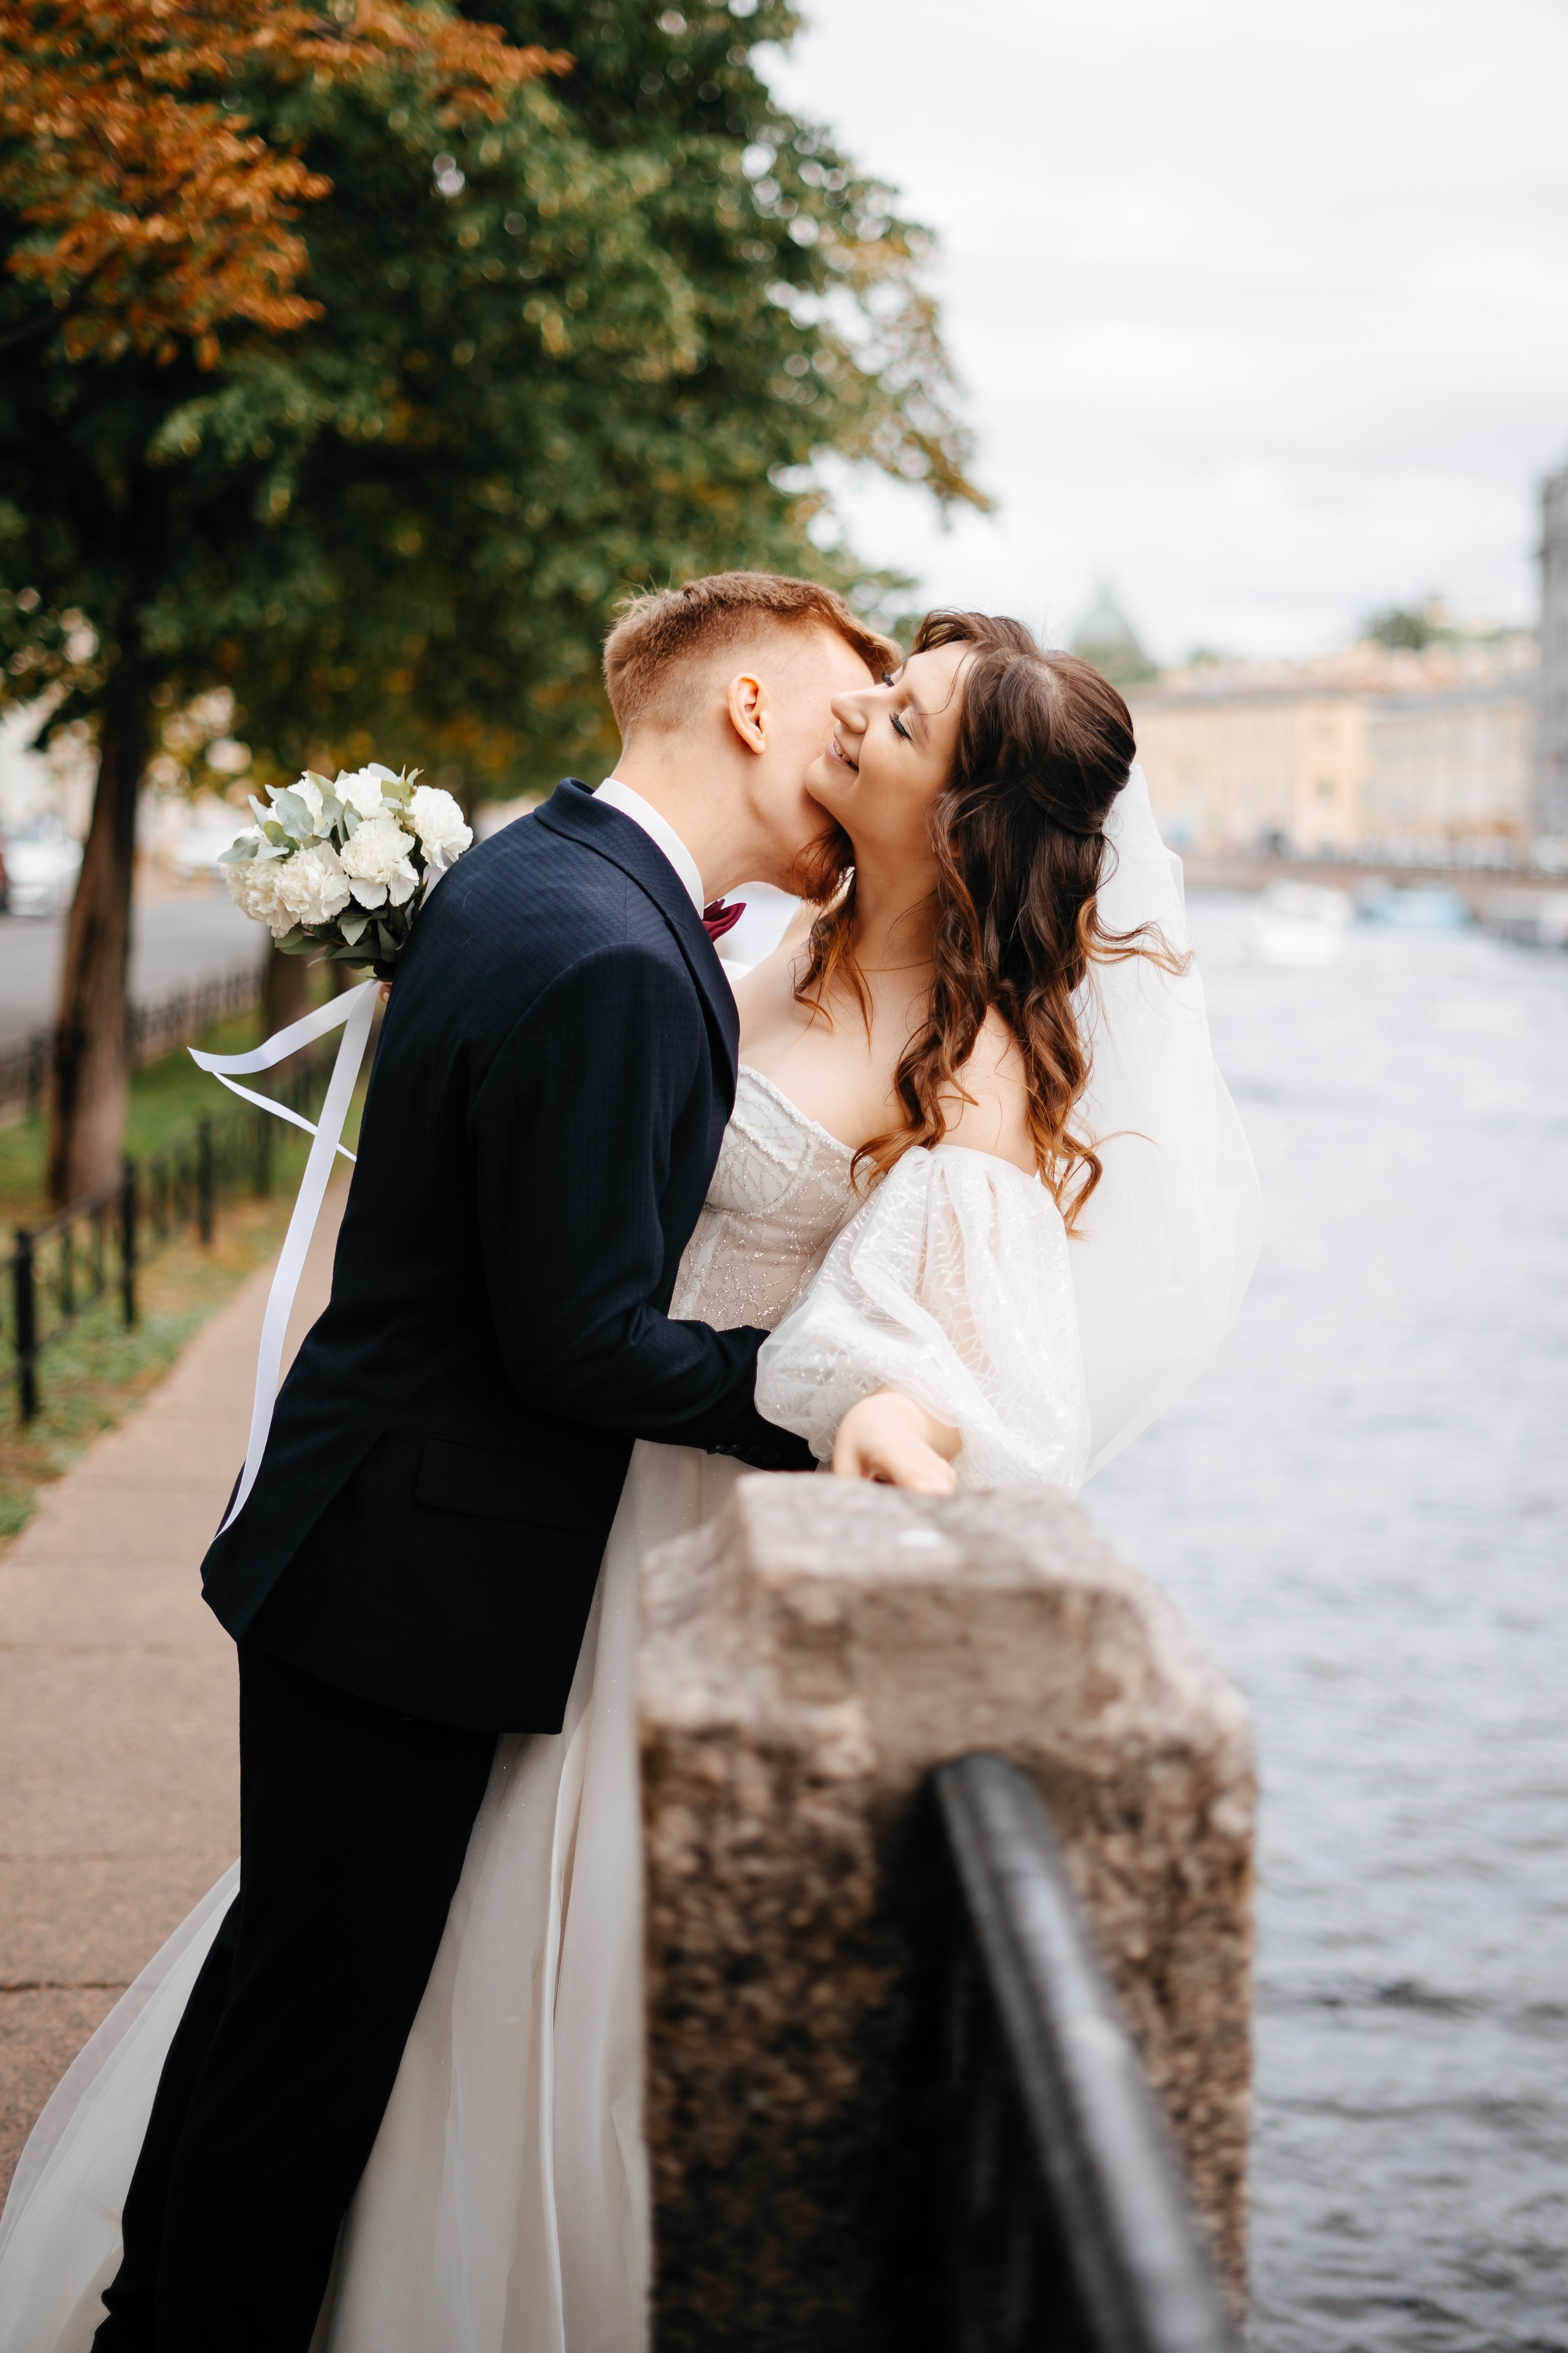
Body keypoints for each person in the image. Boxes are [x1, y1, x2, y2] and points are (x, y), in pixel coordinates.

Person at [0, 603, 1260, 2353]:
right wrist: (815, 1399)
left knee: (423, 1992)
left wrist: (877, 1406)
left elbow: (976, 1378)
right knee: (350, 1997)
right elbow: (579, 1297)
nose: (859, 725)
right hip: (527, 1523)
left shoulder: (958, 1068)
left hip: (629, 1543)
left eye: (897, 721)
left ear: (963, 817)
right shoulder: (705, 938)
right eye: (866, 695)